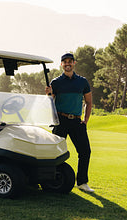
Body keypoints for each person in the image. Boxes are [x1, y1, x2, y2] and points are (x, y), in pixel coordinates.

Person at [45, 52, 94, 193]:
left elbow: (89, 102)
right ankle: (51, 180)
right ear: (61, 64)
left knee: (85, 151)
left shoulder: (82, 82)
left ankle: (82, 182)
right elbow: (48, 103)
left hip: (77, 122)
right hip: (60, 121)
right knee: (54, 151)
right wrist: (48, 94)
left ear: (74, 63)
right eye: (65, 62)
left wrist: (85, 120)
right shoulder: (55, 82)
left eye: (70, 61)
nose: (67, 64)